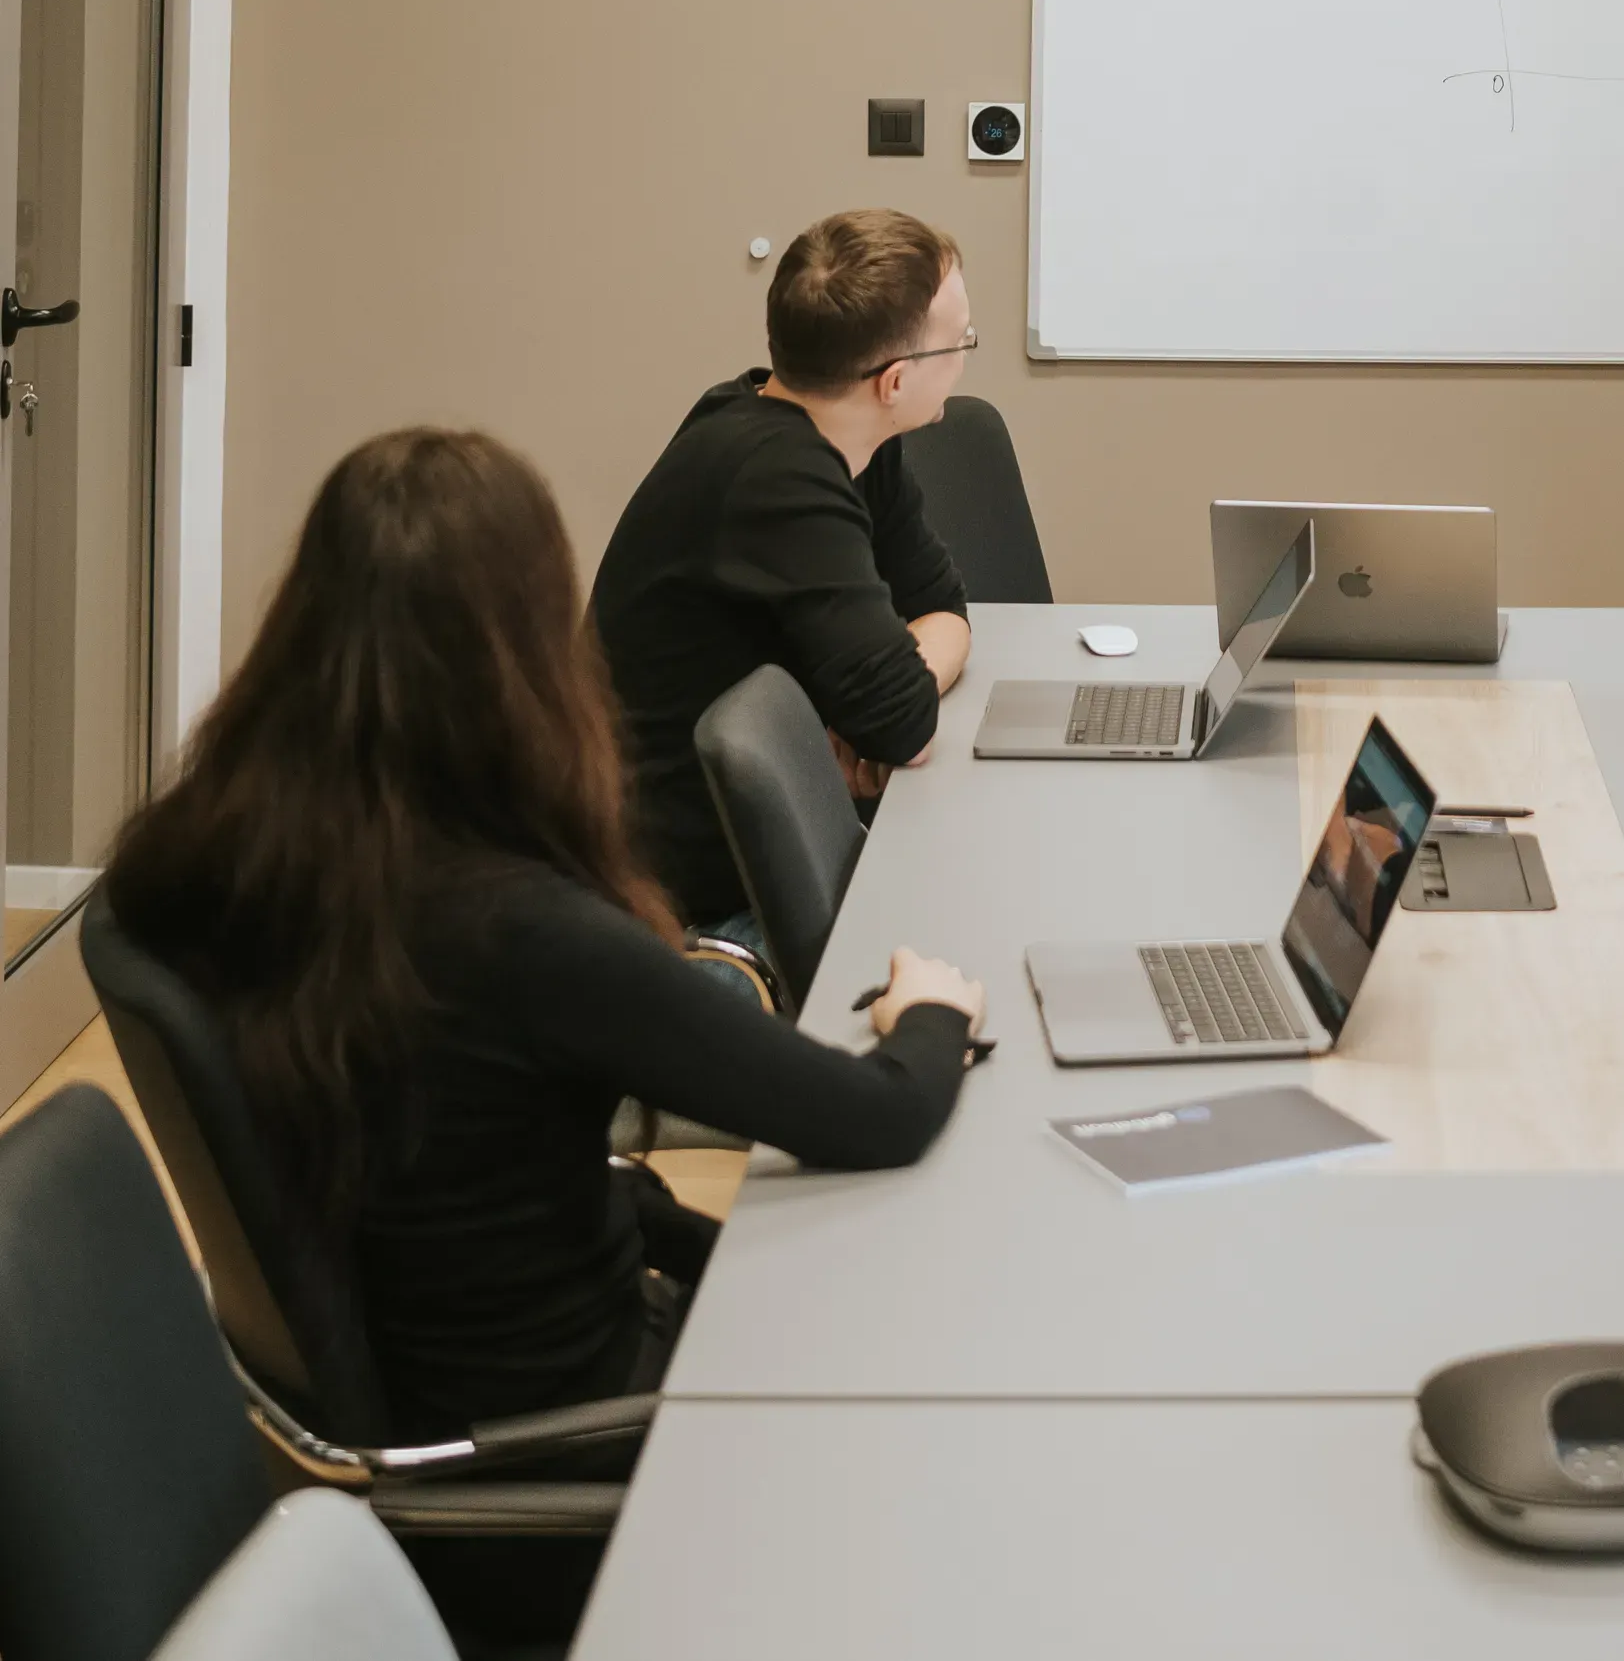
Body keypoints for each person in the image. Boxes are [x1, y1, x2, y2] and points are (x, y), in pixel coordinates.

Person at [101, 428, 986, 1434]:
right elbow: (876, 1116)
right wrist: (930, 1013)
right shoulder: (526, 934)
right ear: (523, 651)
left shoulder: (213, 866)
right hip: (578, 1441)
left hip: (449, 1370)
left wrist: (699, 1245)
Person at [591, 209, 975, 928]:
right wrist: (879, 714)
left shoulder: (847, 435)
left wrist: (863, 717)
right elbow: (906, 725)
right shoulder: (777, 476)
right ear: (894, 381)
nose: (964, 357)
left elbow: (945, 609)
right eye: (961, 342)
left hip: (780, 832)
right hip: (691, 895)